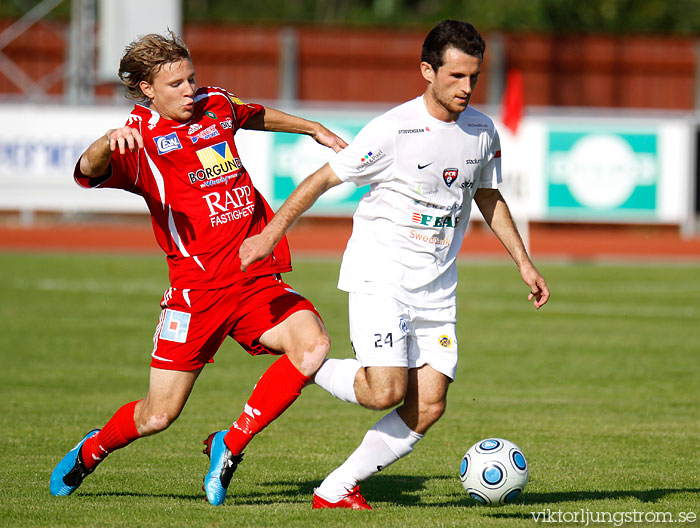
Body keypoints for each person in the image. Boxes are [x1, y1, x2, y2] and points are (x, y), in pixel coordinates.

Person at [239, 19, 550, 510]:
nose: (467, 88)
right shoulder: (392, 130)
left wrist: (524, 264)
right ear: (427, 70)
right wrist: (270, 233)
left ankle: (335, 488)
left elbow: (488, 197)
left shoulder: (482, 131)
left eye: (474, 76)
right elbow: (322, 179)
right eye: (456, 77)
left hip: (437, 288)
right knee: (384, 391)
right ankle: (309, 362)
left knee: (428, 404)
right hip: (380, 275)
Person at [49, 32, 347, 506]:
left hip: (253, 281)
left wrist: (309, 127)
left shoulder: (215, 104)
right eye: (177, 84)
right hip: (196, 294)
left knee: (313, 346)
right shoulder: (139, 139)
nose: (191, 90)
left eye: (191, 78)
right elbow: (86, 170)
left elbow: (255, 114)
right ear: (148, 89)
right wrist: (107, 141)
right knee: (157, 416)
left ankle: (230, 444)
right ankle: (93, 449)